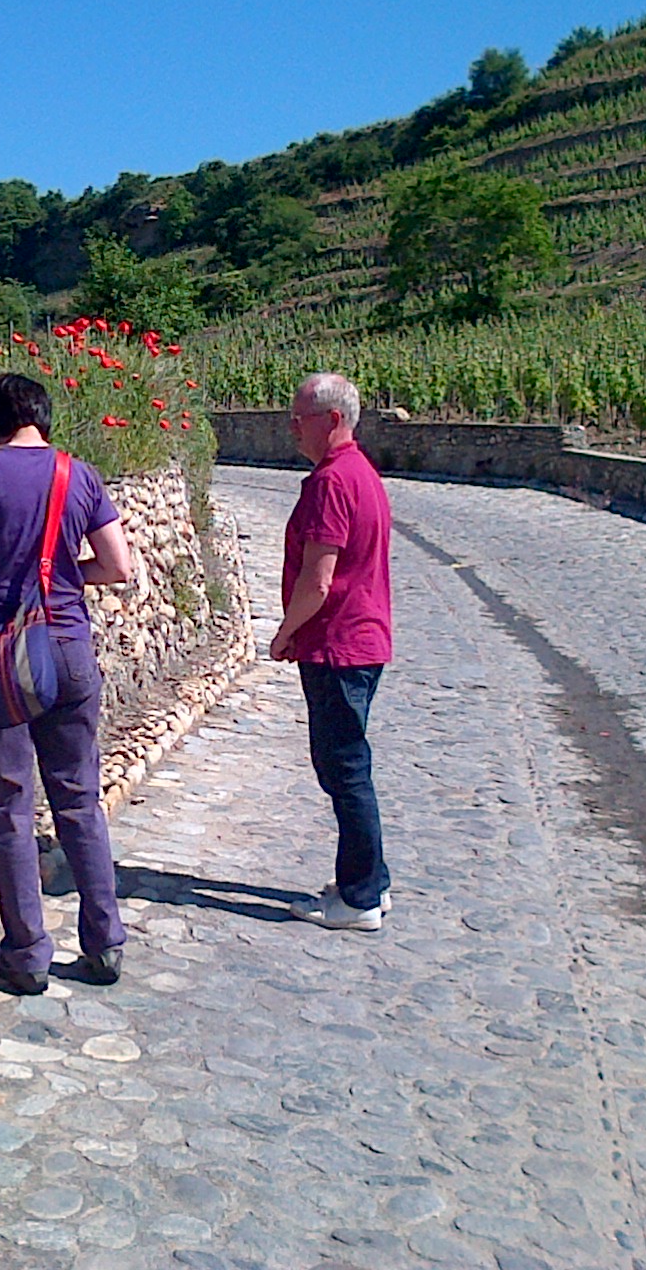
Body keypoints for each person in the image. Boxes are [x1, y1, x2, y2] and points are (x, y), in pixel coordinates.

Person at [0, 372, 132, 994]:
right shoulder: (80, 474)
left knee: (10, 809)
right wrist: (65, 577)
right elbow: (117, 566)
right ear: (41, 418)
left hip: (0, 657)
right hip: (69, 651)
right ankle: (105, 943)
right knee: (78, 799)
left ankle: (28, 954)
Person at [269, 372, 394, 931]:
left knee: (344, 770)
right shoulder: (360, 472)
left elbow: (319, 580)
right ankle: (370, 881)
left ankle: (360, 899)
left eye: (301, 417)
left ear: (333, 420)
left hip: (338, 644)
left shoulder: (330, 482)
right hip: (360, 639)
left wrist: (284, 631)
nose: (292, 428)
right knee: (349, 766)